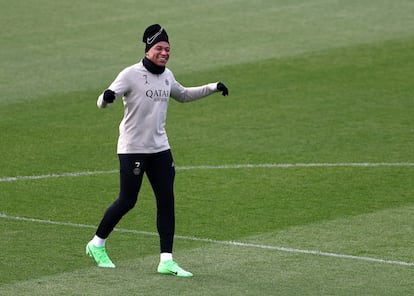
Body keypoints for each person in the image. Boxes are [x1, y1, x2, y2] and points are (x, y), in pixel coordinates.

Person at [86, 24, 229, 277]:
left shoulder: (167, 76)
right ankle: (97, 244)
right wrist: (107, 97)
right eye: (159, 48)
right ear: (148, 49)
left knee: (167, 201)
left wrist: (213, 86)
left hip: (161, 149)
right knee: (127, 200)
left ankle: (166, 260)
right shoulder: (130, 74)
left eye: (167, 49)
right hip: (133, 149)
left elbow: (183, 95)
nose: (164, 53)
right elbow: (103, 101)